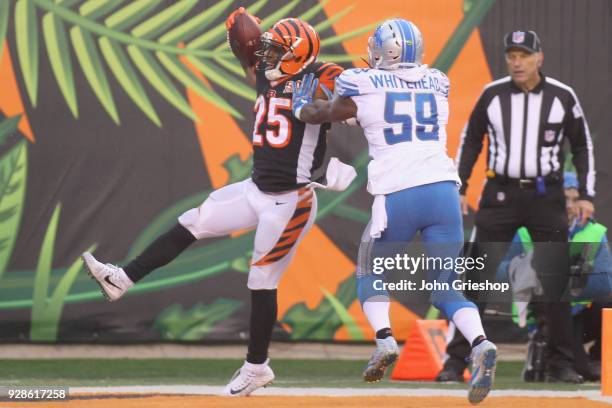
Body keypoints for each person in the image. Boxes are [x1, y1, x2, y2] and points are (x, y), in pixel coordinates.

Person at [82, 9, 343, 397]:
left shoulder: (320, 77)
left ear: (295, 54)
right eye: (267, 48)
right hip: (257, 189)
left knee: (261, 278)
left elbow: (356, 92)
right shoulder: (266, 75)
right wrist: (243, 33)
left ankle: (257, 368)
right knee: (193, 221)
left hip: (291, 201)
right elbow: (249, 50)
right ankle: (122, 279)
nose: (265, 55)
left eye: (275, 49)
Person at [292, 18, 497, 405]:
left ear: (385, 50)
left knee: (371, 269)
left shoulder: (361, 82)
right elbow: (380, 110)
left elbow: (326, 112)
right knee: (445, 287)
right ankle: (480, 342)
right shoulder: (438, 80)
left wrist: (303, 107)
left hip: (399, 192)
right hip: (443, 190)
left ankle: (384, 339)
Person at [438, 30, 596, 384]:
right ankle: (456, 361)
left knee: (553, 281)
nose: (516, 61)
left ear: (539, 58)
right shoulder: (493, 95)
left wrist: (585, 193)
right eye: (511, 55)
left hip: (546, 196)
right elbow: (470, 140)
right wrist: (459, 185)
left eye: (524, 55)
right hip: (501, 195)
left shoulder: (561, 96)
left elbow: (582, 145)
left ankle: (560, 362)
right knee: (476, 274)